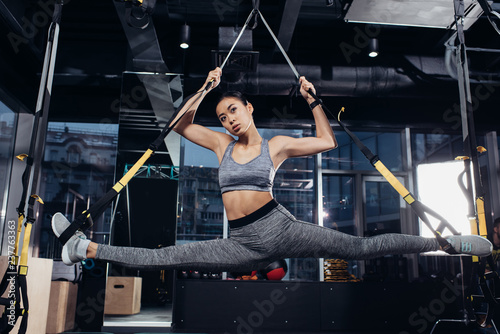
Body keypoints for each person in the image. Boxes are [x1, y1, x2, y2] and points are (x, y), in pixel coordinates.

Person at [52, 67, 493, 270]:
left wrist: (313, 100)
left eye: (233, 111)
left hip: (279, 228)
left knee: (358, 248)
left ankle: (448, 243)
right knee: (166, 257)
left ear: (249, 108)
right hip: (241, 241)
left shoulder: (276, 145)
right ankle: (85, 249)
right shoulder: (221, 143)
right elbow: (179, 124)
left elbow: (326, 141)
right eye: (223, 115)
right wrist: (205, 90)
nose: (228, 120)